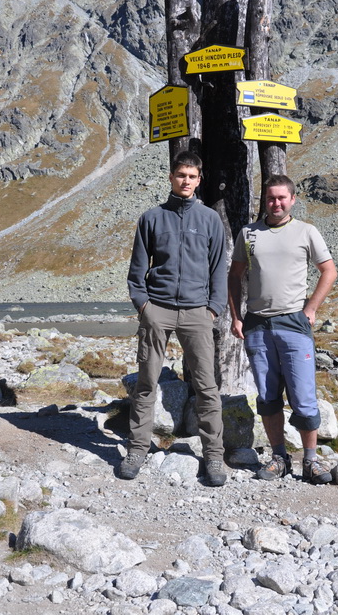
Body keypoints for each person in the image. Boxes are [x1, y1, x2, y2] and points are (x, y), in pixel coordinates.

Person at [120, 151, 227, 486]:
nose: (186, 181)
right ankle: (137, 449)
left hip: (198, 313)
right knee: (146, 382)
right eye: (181, 175)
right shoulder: (152, 218)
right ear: (171, 177)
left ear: (199, 180)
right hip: (158, 311)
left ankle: (214, 456)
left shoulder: (210, 219)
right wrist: (144, 307)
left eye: (192, 176)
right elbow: (137, 271)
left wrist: (213, 309)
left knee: (207, 386)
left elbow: (218, 271)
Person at [228, 174, 338, 485]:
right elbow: (234, 275)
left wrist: (311, 309)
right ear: (265, 201)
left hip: (293, 322)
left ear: (292, 199)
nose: (275, 203)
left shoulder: (306, 231)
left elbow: (329, 271)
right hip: (257, 324)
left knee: (303, 396)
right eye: (270, 198)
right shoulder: (249, 233)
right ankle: (280, 458)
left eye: (281, 198)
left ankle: (311, 460)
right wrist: (237, 317)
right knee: (267, 396)